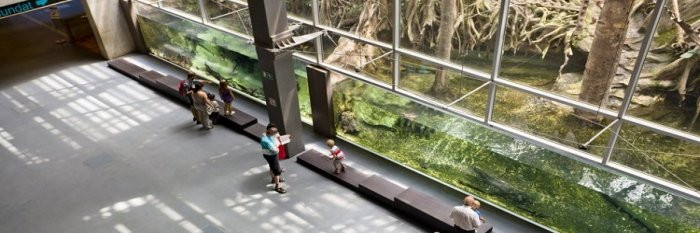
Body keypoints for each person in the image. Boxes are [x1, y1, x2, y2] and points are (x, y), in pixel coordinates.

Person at [261, 124, 286, 194]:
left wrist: (277, 136)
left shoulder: (265, 135)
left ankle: (273, 179)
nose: (276, 134)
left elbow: (276, 136)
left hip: (267, 154)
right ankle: (277, 186)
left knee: (272, 166)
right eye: (274, 133)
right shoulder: (267, 141)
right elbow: (275, 150)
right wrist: (278, 145)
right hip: (272, 155)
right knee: (277, 171)